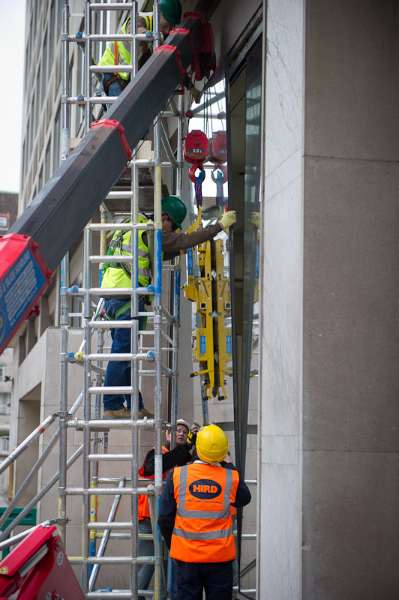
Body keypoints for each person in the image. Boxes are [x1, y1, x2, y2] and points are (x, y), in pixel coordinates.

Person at [101, 196, 237, 419]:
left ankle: (135, 404)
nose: (171, 232)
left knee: (126, 357)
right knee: (122, 355)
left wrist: (182, 247)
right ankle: (112, 403)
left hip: (112, 297)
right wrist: (219, 226)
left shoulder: (129, 226)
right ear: (165, 218)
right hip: (127, 297)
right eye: (172, 227)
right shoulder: (150, 231)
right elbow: (181, 241)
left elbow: (163, 250)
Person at [158, 424, 251, 600]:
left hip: (187, 557)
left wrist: (174, 548)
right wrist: (229, 465)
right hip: (220, 559)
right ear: (224, 452)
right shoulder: (230, 476)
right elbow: (244, 498)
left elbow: (164, 518)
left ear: (198, 447)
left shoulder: (178, 475)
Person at [137, 419, 201, 599]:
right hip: (150, 522)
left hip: (177, 523)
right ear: (167, 435)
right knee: (145, 569)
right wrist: (185, 448)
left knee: (172, 571)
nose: (180, 433)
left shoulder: (188, 459)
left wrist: (199, 440)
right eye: (176, 430)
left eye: (184, 431)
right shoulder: (157, 452)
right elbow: (154, 468)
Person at [98, 0, 182, 97]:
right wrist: (151, 37)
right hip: (112, 70)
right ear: (156, 15)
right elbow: (135, 31)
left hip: (127, 76)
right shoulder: (139, 19)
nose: (168, 31)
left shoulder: (162, 33)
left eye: (171, 27)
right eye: (165, 26)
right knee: (119, 110)